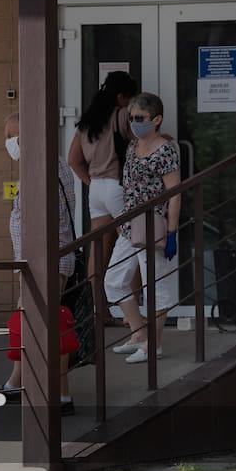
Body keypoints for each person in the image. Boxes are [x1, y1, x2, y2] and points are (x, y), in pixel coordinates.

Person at [2, 113, 78, 416]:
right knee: (29, 321)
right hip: (38, 260)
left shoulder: (42, 167)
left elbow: (42, 218)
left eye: (14, 137)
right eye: (8, 137)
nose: (10, 143)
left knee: (47, 325)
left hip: (44, 261)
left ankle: (60, 394)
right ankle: (17, 382)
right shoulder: (43, 164)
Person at [104, 93, 181, 363]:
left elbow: (174, 192)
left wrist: (172, 232)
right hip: (129, 225)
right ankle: (139, 334)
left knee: (156, 287)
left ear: (156, 120)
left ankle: (153, 346)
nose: (135, 122)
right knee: (113, 281)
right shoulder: (132, 146)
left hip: (153, 224)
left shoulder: (165, 149)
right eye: (132, 117)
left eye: (141, 118)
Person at [68, 72, 139, 302]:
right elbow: (141, 144)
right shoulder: (122, 115)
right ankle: (133, 306)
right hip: (118, 186)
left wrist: (92, 182)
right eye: (129, 98)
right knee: (132, 246)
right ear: (121, 96)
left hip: (96, 190)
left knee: (98, 250)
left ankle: (97, 308)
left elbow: (73, 160)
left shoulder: (87, 122)